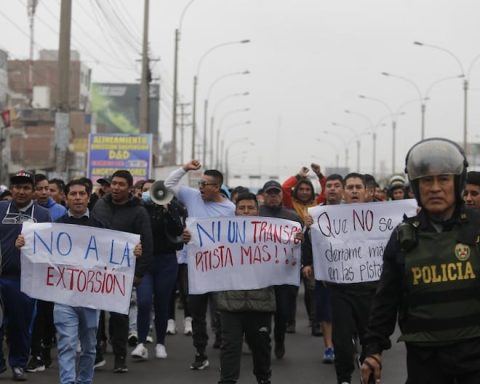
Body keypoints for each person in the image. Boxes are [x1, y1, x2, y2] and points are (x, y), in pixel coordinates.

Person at [361, 138, 480, 384]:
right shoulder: (404, 237)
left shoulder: (478, 227)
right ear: (416, 186)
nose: (435, 188)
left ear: (457, 182)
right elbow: (386, 300)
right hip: (425, 362)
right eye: (427, 180)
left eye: (443, 179)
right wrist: (373, 350)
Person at [165, 159, 235, 370]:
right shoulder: (193, 197)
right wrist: (185, 169)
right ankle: (200, 352)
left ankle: (224, 345)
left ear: (217, 187)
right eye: (200, 184)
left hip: (219, 267)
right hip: (193, 265)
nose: (200, 188)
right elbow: (167, 186)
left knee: (221, 309)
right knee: (196, 310)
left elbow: (234, 238)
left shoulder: (230, 209)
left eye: (205, 185)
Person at [91, 169, 153, 373]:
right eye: (114, 183)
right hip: (98, 269)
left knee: (119, 315)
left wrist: (139, 273)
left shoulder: (139, 211)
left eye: (121, 184)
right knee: (95, 315)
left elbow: (147, 243)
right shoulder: (100, 205)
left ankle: (119, 356)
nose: (116, 187)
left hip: (123, 272)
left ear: (129, 188)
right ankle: (97, 352)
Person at [216, 192, 276, 384]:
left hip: (261, 303)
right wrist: (190, 238)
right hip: (230, 303)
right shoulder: (221, 235)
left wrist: (296, 240)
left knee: (261, 347)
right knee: (229, 347)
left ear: (258, 211)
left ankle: (263, 379)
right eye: (241, 208)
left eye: (250, 208)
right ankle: (227, 381)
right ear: (235, 212)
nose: (246, 212)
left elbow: (286, 257)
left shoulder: (271, 235)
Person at [326, 173, 377, 384]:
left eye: (358, 187)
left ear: (367, 192)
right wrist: (310, 228)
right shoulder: (328, 217)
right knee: (343, 339)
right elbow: (318, 246)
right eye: (350, 187)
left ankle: (371, 377)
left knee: (371, 339)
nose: (354, 191)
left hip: (370, 289)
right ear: (343, 192)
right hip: (341, 289)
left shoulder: (382, 216)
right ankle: (344, 378)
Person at [0, 170, 51, 381]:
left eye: (26, 187)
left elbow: (49, 247)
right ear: (11, 189)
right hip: (1, 275)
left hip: (25, 279)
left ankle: (19, 364)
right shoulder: (1, 208)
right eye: (17, 187)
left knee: (20, 325)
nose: (21, 191)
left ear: (33, 191)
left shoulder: (42, 214)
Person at [131, 179, 184, 360]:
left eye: (152, 190)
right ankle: (141, 343)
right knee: (144, 302)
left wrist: (168, 209)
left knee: (162, 303)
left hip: (166, 262)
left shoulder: (170, 207)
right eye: (145, 190)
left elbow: (178, 229)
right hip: (145, 262)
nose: (149, 194)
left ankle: (160, 343)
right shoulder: (138, 209)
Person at [26, 173, 67, 372]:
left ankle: (45, 349)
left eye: (46, 188)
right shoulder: (25, 211)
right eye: (39, 189)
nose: (43, 192)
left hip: (51, 270)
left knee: (46, 314)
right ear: (32, 190)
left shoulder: (60, 211)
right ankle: (34, 353)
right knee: (31, 315)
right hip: (28, 270)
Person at [303, 173, 344, 364]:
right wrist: (308, 263)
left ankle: (346, 342)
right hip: (324, 269)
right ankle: (329, 346)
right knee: (326, 310)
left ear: (342, 190)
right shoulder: (314, 213)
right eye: (330, 186)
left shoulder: (353, 212)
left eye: (337, 185)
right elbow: (306, 241)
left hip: (349, 268)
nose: (333, 189)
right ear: (324, 190)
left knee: (346, 309)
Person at [259, 180, 302, 359]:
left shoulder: (292, 217)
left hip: (285, 273)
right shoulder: (256, 215)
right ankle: (264, 342)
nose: (273, 196)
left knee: (282, 310)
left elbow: (303, 243)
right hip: (261, 273)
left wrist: (301, 238)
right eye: (270, 193)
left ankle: (280, 339)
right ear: (263, 196)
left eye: (276, 193)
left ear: (282, 195)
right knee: (262, 311)